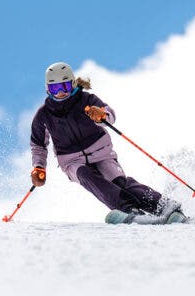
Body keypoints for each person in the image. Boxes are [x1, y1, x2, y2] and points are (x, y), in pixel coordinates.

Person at [30, 61, 182, 217]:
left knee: (119, 182)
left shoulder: (86, 100)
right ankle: (128, 209)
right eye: (55, 88)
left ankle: (165, 206)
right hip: (72, 161)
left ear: (73, 84)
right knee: (86, 176)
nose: (61, 92)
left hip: (101, 152)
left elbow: (109, 114)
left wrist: (101, 116)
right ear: (48, 89)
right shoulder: (43, 115)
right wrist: (39, 166)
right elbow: (38, 145)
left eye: (65, 86)